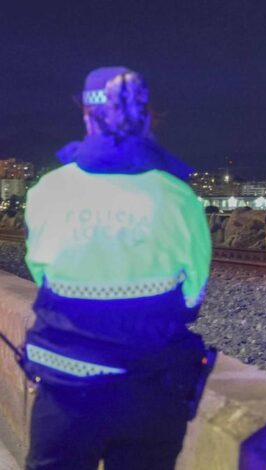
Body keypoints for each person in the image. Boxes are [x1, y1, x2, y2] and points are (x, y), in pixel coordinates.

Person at [21, 67, 214, 470]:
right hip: (151, 389)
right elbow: (194, 290)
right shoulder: (178, 196)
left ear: (87, 116)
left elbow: (42, 272)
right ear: (146, 118)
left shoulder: (49, 191)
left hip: (66, 392)